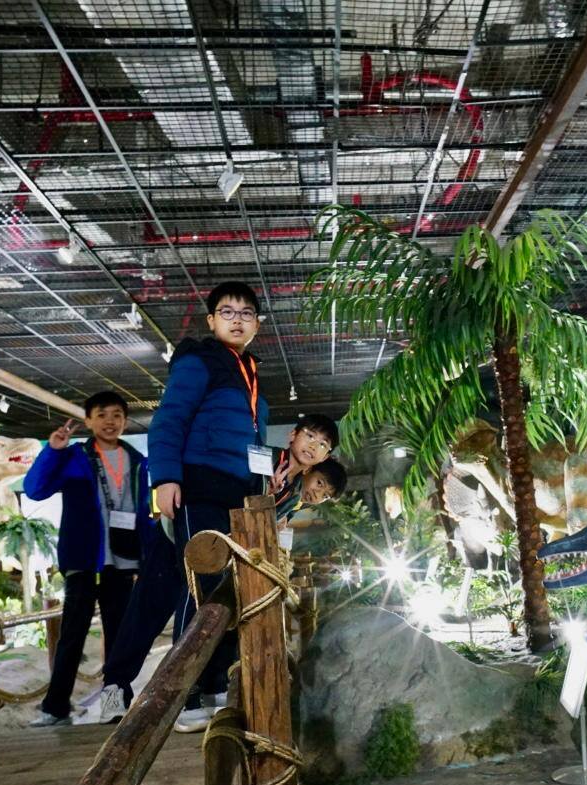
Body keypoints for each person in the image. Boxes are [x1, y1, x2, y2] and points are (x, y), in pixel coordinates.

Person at [96, 443, 346, 724]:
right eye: (320, 484)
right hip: (178, 535)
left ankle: (207, 688)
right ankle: (117, 686)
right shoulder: (269, 460)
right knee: (149, 612)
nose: (318, 494)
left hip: (218, 549)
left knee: (217, 610)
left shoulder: (294, 497)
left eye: (325, 495)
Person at [146, 281, 274, 733]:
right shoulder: (199, 361)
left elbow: (252, 443)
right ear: (211, 320)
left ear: (257, 324)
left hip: (237, 496)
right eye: (227, 312)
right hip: (198, 488)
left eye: (246, 313)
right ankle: (183, 695)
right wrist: (165, 478)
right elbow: (169, 418)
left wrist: (263, 487)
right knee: (200, 587)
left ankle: (217, 683)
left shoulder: (249, 372)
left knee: (229, 590)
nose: (237, 320)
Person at [23, 392, 150, 727]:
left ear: (125, 421)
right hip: (83, 560)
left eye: (117, 415)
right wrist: (53, 450)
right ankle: (56, 708)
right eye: (102, 414)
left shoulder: (137, 460)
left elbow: (142, 512)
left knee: (120, 637)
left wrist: (147, 555)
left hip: (122, 563)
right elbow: (35, 489)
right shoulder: (74, 457)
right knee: (72, 635)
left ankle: (114, 702)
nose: (110, 421)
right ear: (89, 421)